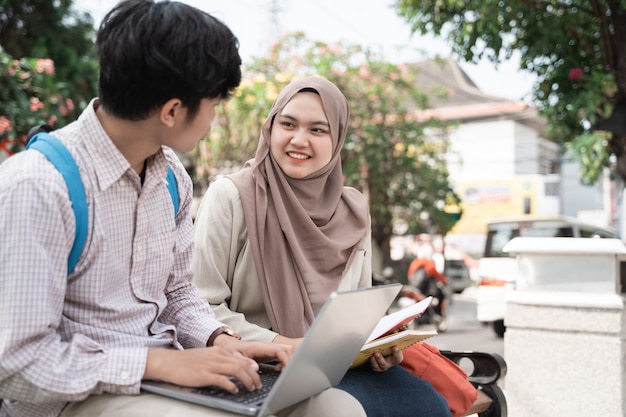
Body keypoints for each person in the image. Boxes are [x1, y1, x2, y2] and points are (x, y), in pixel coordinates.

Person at [0, 2, 366, 417]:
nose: (215, 115)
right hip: (74, 396)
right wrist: (159, 362)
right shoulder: (39, 187)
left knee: (334, 408)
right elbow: (15, 363)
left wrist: (222, 341)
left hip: (166, 378)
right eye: (213, 102)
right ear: (172, 110)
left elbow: (176, 293)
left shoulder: (170, 176)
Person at [193, 76, 452, 417]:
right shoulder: (231, 197)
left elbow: (355, 311)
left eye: (318, 130)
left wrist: (375, 345)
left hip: (335, 366)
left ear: (338, 139)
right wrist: (282, 346)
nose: (299, 140)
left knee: (428, 404)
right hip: (254, 366)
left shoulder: (353, 210)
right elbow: (201, 307)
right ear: (270, 128)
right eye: (288, 124)